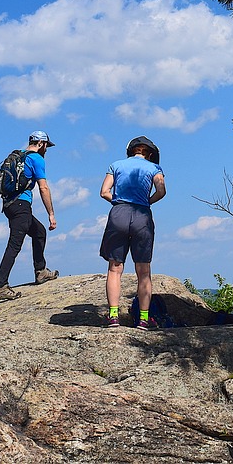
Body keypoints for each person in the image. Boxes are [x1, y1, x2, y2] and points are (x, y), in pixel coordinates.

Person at [99, 135, 166, 329]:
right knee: (143, 271)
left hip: (118, 212)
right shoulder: (154, 168)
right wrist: (146, 202)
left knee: (115, 268)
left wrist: (119, 200)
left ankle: (113, 316)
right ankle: (144, 319)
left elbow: (104, 191)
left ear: (131, 151)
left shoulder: (116, 165)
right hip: (142, 214)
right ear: (150, 153)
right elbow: (161, 191)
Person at [0, 131, 59, 302]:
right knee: (14, 245)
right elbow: (43, 188)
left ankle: (41, 271)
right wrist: (51, 213)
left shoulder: (18, 156)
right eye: (46, 146)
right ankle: (0, 285)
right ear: (41, 143)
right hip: (21, 206)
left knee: (39, 232)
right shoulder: (36, 159)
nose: (47, 150)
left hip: (9, 205)